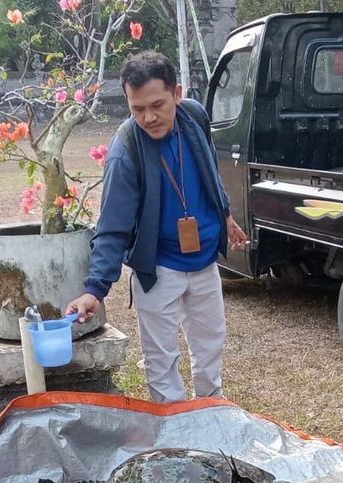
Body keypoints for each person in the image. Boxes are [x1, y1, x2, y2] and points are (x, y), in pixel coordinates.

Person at [66, 51, 249, 403]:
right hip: (159, 268)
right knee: (161, 360)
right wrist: (95, 288)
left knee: (210, 346)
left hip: (204, 261)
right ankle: (172, 432)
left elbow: (210, 170)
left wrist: (225, 215)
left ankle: (211, 412)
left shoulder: (194, 116)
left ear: (177, 94)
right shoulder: (126, 149)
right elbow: (112, 227)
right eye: (137, 109)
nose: (148, 117)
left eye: (157, 105)